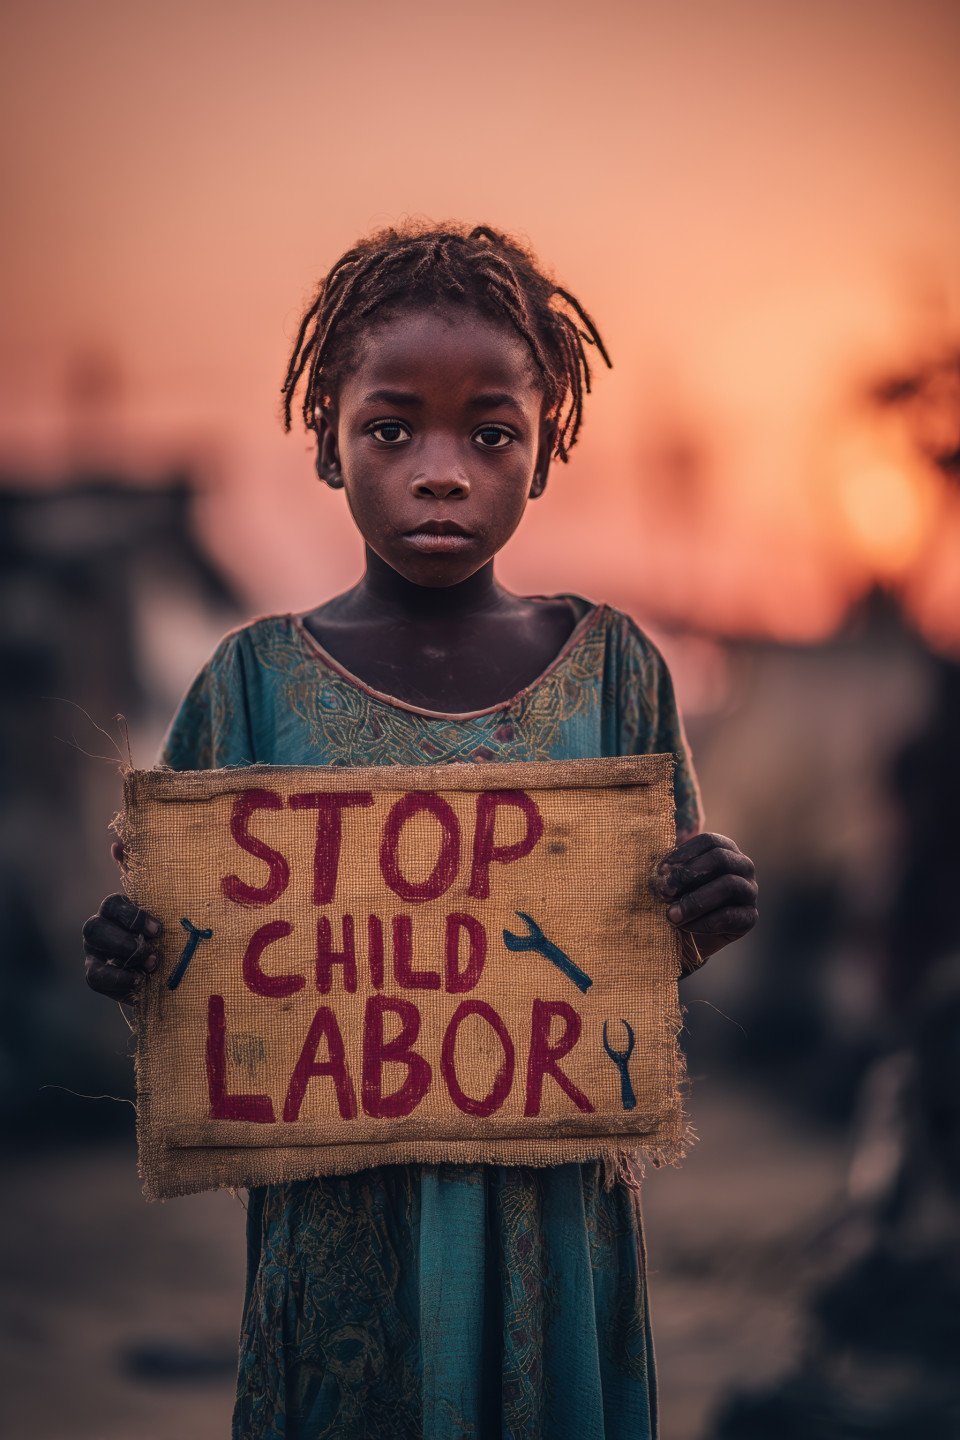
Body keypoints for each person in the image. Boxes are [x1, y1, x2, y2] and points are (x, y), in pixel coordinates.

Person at [81, 223, 759, 1439]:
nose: (440, 470)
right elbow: (196, 950)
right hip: (341, 1225)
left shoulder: (613, 673)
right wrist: (135, 963)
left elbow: (631, 954)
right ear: (328, 446)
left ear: (545, 451)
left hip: (553, 1219)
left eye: (490, 433)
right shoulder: (248, 687)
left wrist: (703, 912)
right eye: (392, 429)